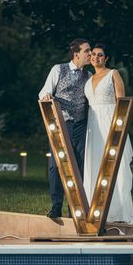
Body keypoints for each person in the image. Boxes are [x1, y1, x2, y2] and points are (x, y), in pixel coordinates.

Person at [83, 44, 133, 224]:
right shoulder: (87, 79)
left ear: (105, 59)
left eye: (100, 55)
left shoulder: (113, 74)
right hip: (93, 124)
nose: (96, 58)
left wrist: (118, 126)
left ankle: (119, 212)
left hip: (110, 122)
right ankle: (95, 208)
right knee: (94, 164)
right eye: (93, 55)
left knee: (116, 166)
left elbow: (121, 102)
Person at [39, 38, 92, 218]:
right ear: (76, 54)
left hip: (81, 125)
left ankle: (74, 208)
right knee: (56, 165)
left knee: (79, 166)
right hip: (61, 125)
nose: (90, 54)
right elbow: (44, 91)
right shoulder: (58, 69)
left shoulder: (89, 76)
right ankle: (56, 206)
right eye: (87, 51)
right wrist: (46, 96)